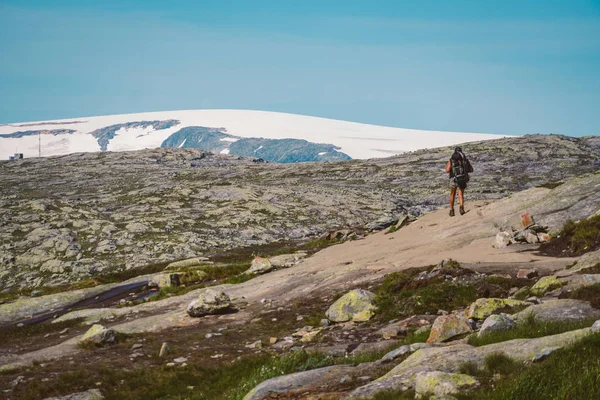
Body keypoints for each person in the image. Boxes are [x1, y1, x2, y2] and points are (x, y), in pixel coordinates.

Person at [445, 146, 473, 217]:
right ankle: (461, 208)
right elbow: (471, 169)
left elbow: (447, 170)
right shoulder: (464, 160)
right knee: (460, 193)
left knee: (452, 194)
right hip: (462, 178)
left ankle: (451, 210)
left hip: (453, 178)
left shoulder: (451, 160)